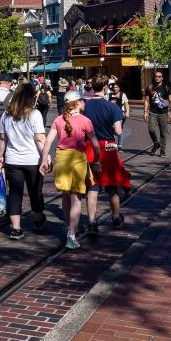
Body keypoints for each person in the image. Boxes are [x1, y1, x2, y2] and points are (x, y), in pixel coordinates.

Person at [39, 91, 101, 250]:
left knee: (65, 196)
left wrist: (44, 160)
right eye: (83, 101)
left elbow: (47, 142)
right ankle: (71, 235)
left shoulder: (59, 119)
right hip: (77, 161)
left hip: (61, 159)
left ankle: (70, 227)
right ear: (78, 102)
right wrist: (96, 160)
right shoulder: (85, 120)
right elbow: (95, 144)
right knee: (76, 199)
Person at [0, 83, 46, 240]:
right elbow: (39, 138)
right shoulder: (34, 114)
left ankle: (16, 229)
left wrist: (0, 155)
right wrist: (47, 156)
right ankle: (38, 218)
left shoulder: (6, 114)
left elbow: (3, 138)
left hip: (13, 160)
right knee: (35, 191)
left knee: (15, 194)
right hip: (33, 159)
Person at [82, 76, 130, 235]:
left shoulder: (85, 106)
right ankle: (116, 217)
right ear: (105, 89)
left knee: (92, 187)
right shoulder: (112, 107)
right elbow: (118, 131)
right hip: (107, 148)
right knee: (111, 186)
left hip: (90, 147)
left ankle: (92, 222)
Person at [144, 71, 171, 156]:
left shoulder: (167, 87)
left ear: (162, 78)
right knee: (151, 129)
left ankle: (162, 150)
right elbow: (146, 100)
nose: (157, 78)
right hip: (152, 112)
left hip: (163, 113)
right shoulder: (150, 87)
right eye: (156, 76)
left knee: (163, 132)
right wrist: (145, 112)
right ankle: (156, 143)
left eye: (159, 76)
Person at [108, 82, 130, 147]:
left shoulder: (123, 95)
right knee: (112, 130)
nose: (115, 88)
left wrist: (127, 112)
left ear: (119, 88)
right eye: (114, 87)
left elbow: (126, 104)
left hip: (120, 114)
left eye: (116, 87)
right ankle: (113, 144)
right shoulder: (109, 95)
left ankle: (119, 145)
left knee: (118, 129)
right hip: (111, 115)